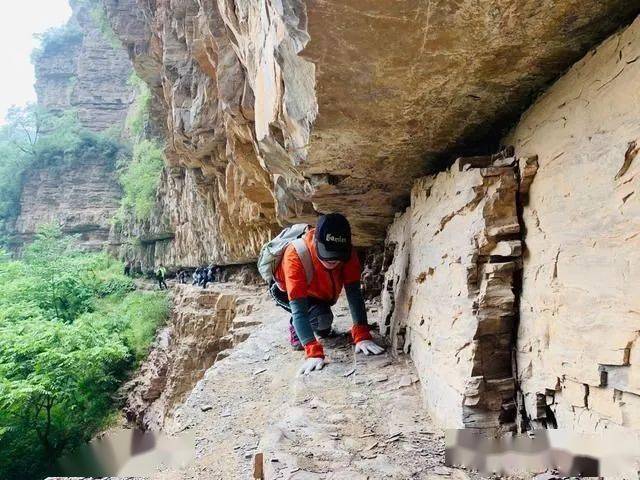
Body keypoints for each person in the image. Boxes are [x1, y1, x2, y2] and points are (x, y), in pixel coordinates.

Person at [272, 213, 384, 375]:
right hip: (286, 290)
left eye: (337, 257)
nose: (332, 261)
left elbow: (354, 294)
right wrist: (313, 351)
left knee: (323, 327)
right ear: (316, 242)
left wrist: (362, 334)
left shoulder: (347, 254)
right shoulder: (295, 256)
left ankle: (313, 322)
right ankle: (295, 327)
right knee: (319, 319)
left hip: (316, 291)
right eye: (327, 253)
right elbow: (299, 310)